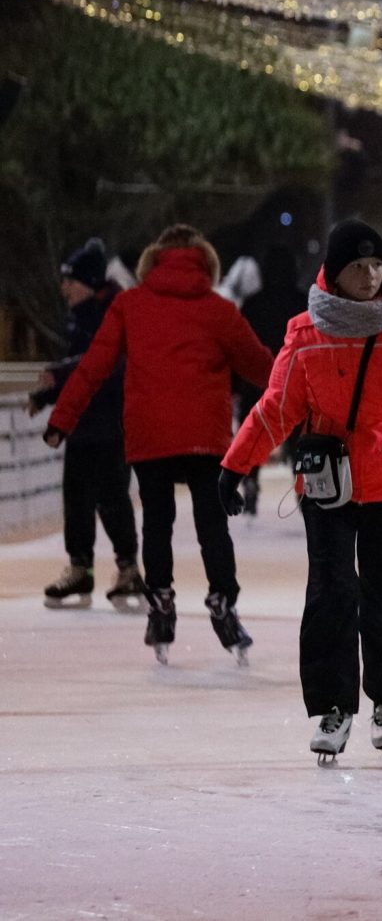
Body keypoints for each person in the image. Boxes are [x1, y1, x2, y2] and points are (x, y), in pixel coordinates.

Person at [220, 220, 382, 762]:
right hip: (327, 483)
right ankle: (332, 705)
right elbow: (277, 407)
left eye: (377, 266)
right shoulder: (305, 332)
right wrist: (235, 467)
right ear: (335, 274)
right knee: (329, 591)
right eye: (357, 267)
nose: (370, 276)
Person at [44, 224, 273, 665]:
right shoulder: (218, 310)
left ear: (153, 262)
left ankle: (162, 602)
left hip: (150, 433)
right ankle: (223, 601)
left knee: (158, 521)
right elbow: (261, 365)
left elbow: (92, 367)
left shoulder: (130, 306)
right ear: (204, 262)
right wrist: (309, 405)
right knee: (212, 524)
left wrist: (62, 418)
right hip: (206, 434)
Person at [30, 239, 142, 611]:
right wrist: (47, 396)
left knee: (112, 498)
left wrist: (58, 376)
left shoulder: (115, 312)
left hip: (110, 422)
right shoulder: (79, 317)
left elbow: (104, 366)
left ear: (91, 282)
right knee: (76, 498)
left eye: (71, 281)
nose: (64, 288)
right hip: (82, 423)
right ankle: (81, 568)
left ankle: (128, 569)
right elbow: (78, 370)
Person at [232, 244, 309, 515]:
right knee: (300, 440)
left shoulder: (253, 304)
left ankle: (250, 480)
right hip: (296, 383)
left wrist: (234, 384)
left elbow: (240, 346)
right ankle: (303, 487)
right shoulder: (303, 302)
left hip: (259, 381)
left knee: (253, 434)